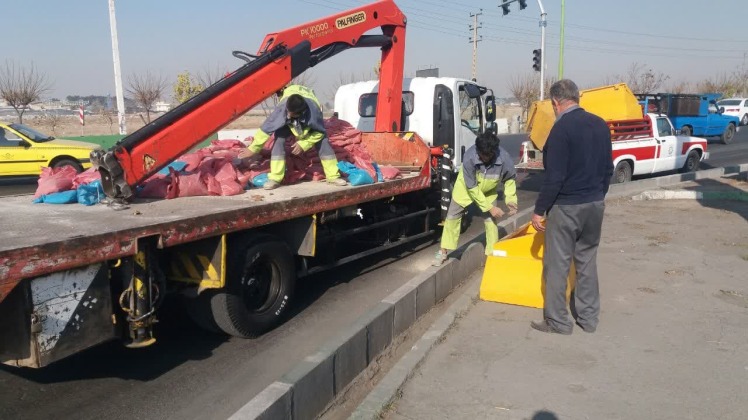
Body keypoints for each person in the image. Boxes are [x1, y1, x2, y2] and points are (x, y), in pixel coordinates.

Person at [530, 79, 614, 335]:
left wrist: (539, 210)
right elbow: (608, 169)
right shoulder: (600, 125)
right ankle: (589, 320)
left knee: (558, 265)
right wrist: (597, 196)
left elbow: (554, 177)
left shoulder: (561, 130)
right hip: (594, 204)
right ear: (577, 98)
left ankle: (558, 322)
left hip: (566, 207)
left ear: (556, 103)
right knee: (587, 261)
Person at [238, 85, 347, 190]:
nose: (288, 115)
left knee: (323, 142)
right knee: (279, 140)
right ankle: (275, 178)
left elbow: (319, 132)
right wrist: (252, 149)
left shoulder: (314, 112)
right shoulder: (282, 110)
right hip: (289, 118)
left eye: (292, 114)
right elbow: (265, 130)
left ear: (302, 112)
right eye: (288, 112)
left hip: (307, 118)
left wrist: (304, 143)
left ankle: (333, 176)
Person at [433, 131, 518, 266]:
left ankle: (491, 254)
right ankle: (442, 252)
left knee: (491, 222)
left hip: (488, 190)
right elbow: (472, 187)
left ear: (494, 152)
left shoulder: (504, 159)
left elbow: (509, 180)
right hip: (466, 188)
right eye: (481, 154)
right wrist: (490, 207)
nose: (483, 158)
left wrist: (511, 200)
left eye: (487, 155)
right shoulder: (469, 157)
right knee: (452, 218)